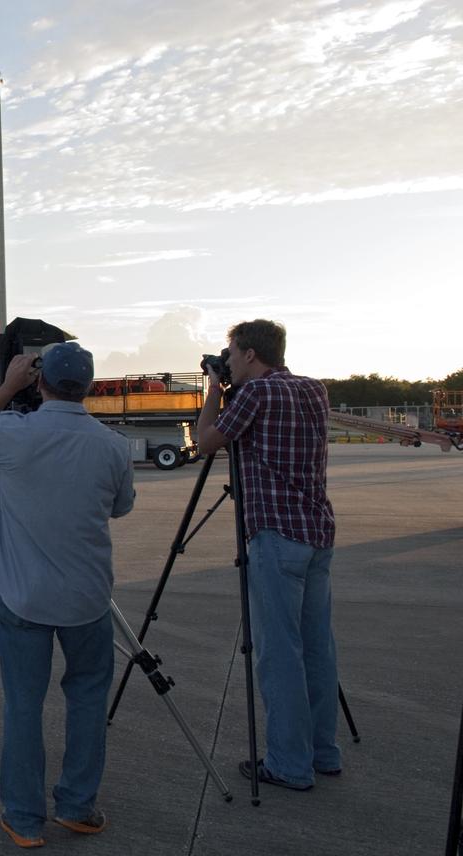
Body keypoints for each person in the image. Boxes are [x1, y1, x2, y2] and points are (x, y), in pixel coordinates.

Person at [0, 343, 134, 849]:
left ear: (40, 382)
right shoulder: (112, 446)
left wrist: (6, 387)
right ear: (91, 387)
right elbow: (121, 507)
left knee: (23, 706)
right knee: (86, 701)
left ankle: (25, 817)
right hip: (88, 598)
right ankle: (78, 806)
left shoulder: (16, 433)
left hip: (23, 595)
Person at [197, 319, 340, 792]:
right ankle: (323, 752)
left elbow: (207, 442)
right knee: (317, 649)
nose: (231, 361)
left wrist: (215, 389)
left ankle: (289, 764)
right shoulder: (314, 390)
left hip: (276, 536)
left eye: (233, 354)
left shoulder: (255, 394)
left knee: (279, 654)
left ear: (251, 355)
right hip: (317, 532)